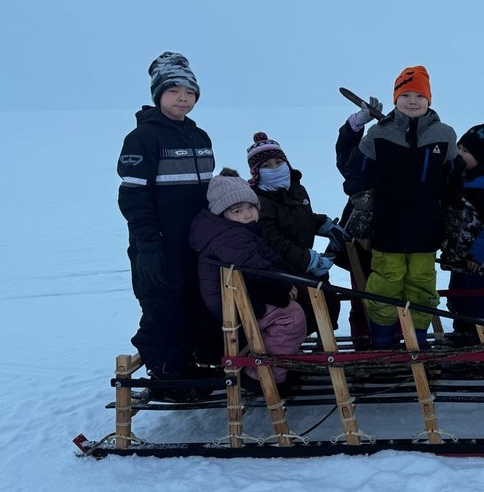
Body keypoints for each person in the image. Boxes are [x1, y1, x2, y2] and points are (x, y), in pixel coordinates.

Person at [117, 51, 216, 395]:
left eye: (189, 92)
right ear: (158, 95)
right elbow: (133, 198)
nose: (183, 98)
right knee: (163, 307)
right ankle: (165, 374)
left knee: (194, 301)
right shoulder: (143, 139)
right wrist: (148, 243)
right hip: (158, 243)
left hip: (195, 242)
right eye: (174, 91)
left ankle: (188, 368)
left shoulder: (199, 137)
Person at [341, 65, 458, 348]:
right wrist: (362, 201)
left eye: (420, 95)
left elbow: (454, 182)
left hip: (426, 230)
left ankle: (416, 339)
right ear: (396, 99)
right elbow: (355, 172)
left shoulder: (444, 135)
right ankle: (382, 339)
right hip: (387, 229)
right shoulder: (379, 134)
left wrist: (451, 222)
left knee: (422, 285)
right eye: (406, 95)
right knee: (385, 283)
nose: (413, 101)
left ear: (429, 99)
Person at [190, 169, 307, 395]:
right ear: (222, 213)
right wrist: (282, 286)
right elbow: (255, 267)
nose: (247, 214)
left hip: (244, 292)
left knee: (301, 300)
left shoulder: (239, 229)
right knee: (291, 317)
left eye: (251, 207)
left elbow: (268, 258)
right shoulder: (228, 237)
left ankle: (280, 360)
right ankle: (263, 377)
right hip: (230, 302)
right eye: (237, 210)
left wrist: (293, 274)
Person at [246, 132, 345, 337]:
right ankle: (295, 345)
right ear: (256, 171)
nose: (275, 168)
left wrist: (323, 224)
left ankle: (324, 342)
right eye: (267, 165)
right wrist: (308, 260)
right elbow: (272, 240)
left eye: (278, 162)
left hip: (303, 263)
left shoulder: (297, 189)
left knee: (329, 300)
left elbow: (300, 217)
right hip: (279, 268)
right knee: (311, 303)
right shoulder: (258, 200)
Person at [439, 123, 484, 346]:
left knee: (480, 298)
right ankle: (463, 331)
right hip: (459, 255)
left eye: (466, 152)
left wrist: (478, 254)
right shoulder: (459, 177)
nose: (460, 154)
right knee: (457, 297)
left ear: (481, 156)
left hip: (479, 259)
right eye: (459, 148)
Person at [334, 94, 384, 347]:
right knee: (360, 298)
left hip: (395, 240)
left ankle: (395, 346)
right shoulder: (361, 165)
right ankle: (362, 348)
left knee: (395, 299)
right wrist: (357, 123)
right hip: (359, 243)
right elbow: (345, 157)